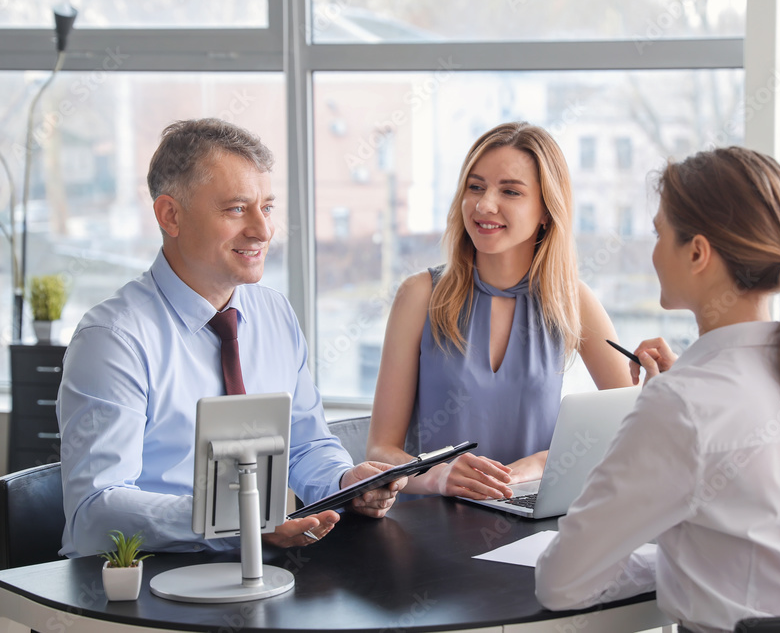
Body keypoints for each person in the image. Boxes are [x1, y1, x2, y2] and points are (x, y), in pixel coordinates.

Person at [534, 146, 780, 632]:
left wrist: (665, 412)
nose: (651, 251)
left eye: (658, 233)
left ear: (696, 252)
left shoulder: (680, 406)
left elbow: (561, 583)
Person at [58, 118, 404, 558]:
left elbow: (305, 444)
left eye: (268, 207)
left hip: (258, 569)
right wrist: (236, 522)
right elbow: (96, 510)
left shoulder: (274, 312)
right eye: (237, 209)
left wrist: (343, 482)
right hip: (147, 582)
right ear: (171, 215)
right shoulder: (113, 340)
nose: (262, 230)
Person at [366, 122, 633, 501]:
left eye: (510, 191)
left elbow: (633, 425)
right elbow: (380, 451)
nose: (484, 204)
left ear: (545, 210)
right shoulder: (419, 296)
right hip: (431, 526)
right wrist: (438, 476)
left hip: (534, 522)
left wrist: (544, 462)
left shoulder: (572, 300)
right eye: (475, 187)